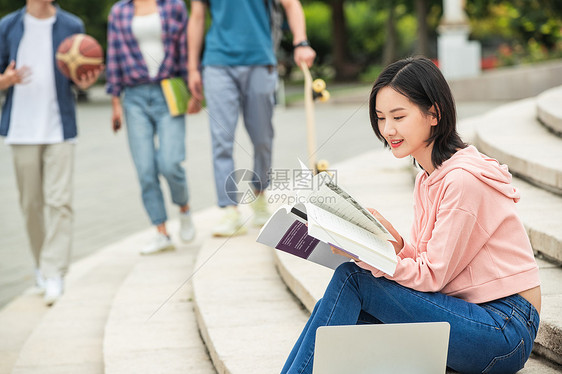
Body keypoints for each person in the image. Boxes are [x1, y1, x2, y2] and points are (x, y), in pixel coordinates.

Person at [281, 56, 541, 374]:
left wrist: (370, 258)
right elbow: (428, 264)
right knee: (334, 310)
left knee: (353, 278)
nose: (388, 129)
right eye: (380, 118)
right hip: (468, 315)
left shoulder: (463, 180)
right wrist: (395, 243)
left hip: (504, 328)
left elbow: (431, 277)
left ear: (434, 113)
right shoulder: (427, 177)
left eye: (398, 116)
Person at [0, 0, 102, 306]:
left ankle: (54, 271)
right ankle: (40, 267)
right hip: (21, 128)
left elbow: (78, 75)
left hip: (59, 128)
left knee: (60, 202)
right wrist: (6, 81)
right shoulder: (7, 27)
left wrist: (87, 80)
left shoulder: (72, 26)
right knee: (31, 204)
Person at [187, 0, 316, 237]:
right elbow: (196, 17)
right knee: (221, 140)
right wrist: (192, 68)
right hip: (217, 63)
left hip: (259, 60)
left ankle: (259, 195)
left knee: (262, 138)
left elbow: (291, 4)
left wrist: (301, 42)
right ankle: (230, 210)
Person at [106, 0, 198, 255]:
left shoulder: (174, 6)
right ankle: (161, 232)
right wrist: (115, 102)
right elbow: (113, 56)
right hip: (134, 96)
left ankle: (184, 208)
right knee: (145, 169)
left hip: (170, 90)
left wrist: (193, 90)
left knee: (170, 163)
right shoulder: (119, 11)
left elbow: (186, 47)